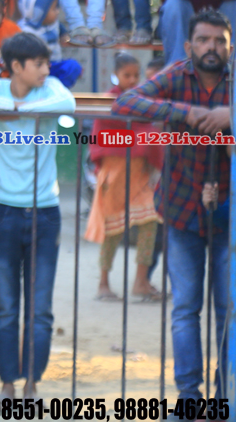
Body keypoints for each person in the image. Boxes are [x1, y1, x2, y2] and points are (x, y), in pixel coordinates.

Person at [113, 7, 232, 400]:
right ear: (188, 45)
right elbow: (125, 103)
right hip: (182, 209)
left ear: (230, 46)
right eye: (203, 40)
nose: (211, 47)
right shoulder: (177, 75)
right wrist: (186, 112)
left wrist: (230, 115)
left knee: (228, 311)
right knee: (185, 310)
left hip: (231, 217)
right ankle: (189, 398)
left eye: (219, 41)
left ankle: (226, 397)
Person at [0, 32, 76, 401]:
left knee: (40, 309)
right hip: (4, 211)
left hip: (45, 212)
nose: (46, 70)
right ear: (16, 66)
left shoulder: (51, 88)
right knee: (5, 306)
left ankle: (31, 384)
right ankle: (8, 383)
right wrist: (18, 105)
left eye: (46, 63)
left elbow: (68, 103)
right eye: (39, 64)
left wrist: (16, 110)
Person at [88, 53, 164, 302]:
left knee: (150, 222)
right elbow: (101, 136)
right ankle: (103, 283)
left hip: (139, 174)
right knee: (112, 230)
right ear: (116, 75)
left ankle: (141, 281)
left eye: (135, 75)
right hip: (115, 175)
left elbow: (148, 132)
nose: (132, 80)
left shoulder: (141, 101)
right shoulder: (108, 101)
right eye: (126, 75)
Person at [17, 0, 80, 88]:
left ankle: (56, 88)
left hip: (54, 65)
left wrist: (65, 36)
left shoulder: (54, 24)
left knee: (73, 66)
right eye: (54, 9)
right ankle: (40, 87)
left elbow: (62, 32)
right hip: (36, 68)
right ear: (39, 12)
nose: (57, 12)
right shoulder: (25, 31)